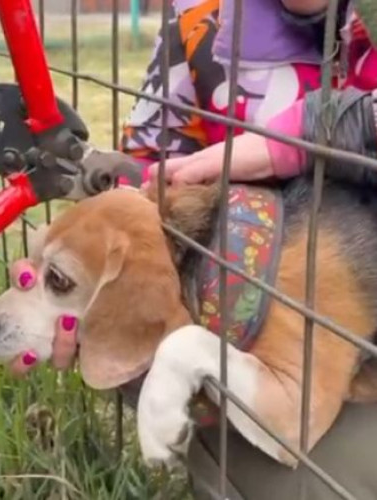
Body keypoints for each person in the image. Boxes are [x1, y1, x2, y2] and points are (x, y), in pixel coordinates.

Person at [49, 1, 377, 498]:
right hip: (252, 353)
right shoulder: (197, 20)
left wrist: (285, 141)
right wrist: (70, 272)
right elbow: (140, 197)